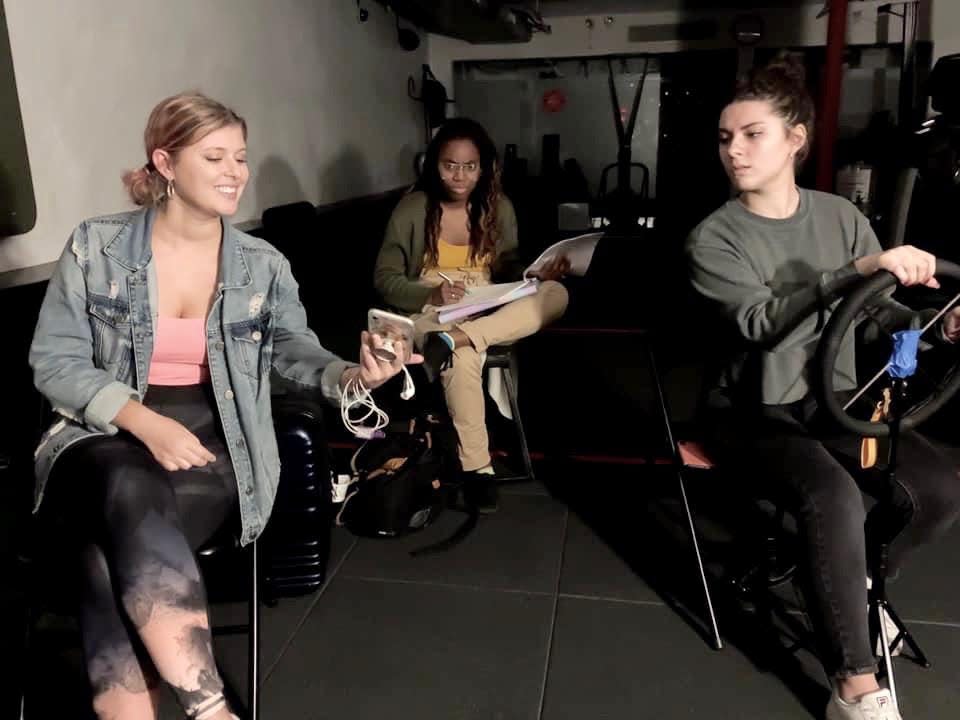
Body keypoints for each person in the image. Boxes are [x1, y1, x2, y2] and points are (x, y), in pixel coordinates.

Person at [29, 92, 416, 720]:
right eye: (214, 157)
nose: (236, 171)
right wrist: (145, 421)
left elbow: (294, 352)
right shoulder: (94, 247)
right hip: (99, 433)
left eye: (240, 156)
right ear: (165, 162)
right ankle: (213, 711)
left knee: (99, 557)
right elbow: (56, 361)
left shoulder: (263, 266)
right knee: (123, 480)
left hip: (217, 439)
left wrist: (355, 376)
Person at [685, 55, 960, 720]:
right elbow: (761, 323)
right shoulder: (714, 237)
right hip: (754, 408)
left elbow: (877, 314)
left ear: (795, 139)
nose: (735, 150)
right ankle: (855, 685)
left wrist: (937, 327)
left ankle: (855, 586)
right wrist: (859, 268)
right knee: (831, 492)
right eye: (726, 138)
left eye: (752, 134)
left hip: (832, 401)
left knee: (938, 490)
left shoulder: (839, 216)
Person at [373, 118, 569, 513]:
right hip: (433, 311)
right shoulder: (413, 208)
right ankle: (478, 471)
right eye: (450, 165)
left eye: (469, 166)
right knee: (460, 355)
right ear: (434, 165)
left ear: (484, 168)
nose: (459, 176)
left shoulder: (498, 207)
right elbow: (385, 279)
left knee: (556, 293)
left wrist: (532, 274)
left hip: (486, 306)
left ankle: (466, 337)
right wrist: (431, 291)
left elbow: (510, 267)